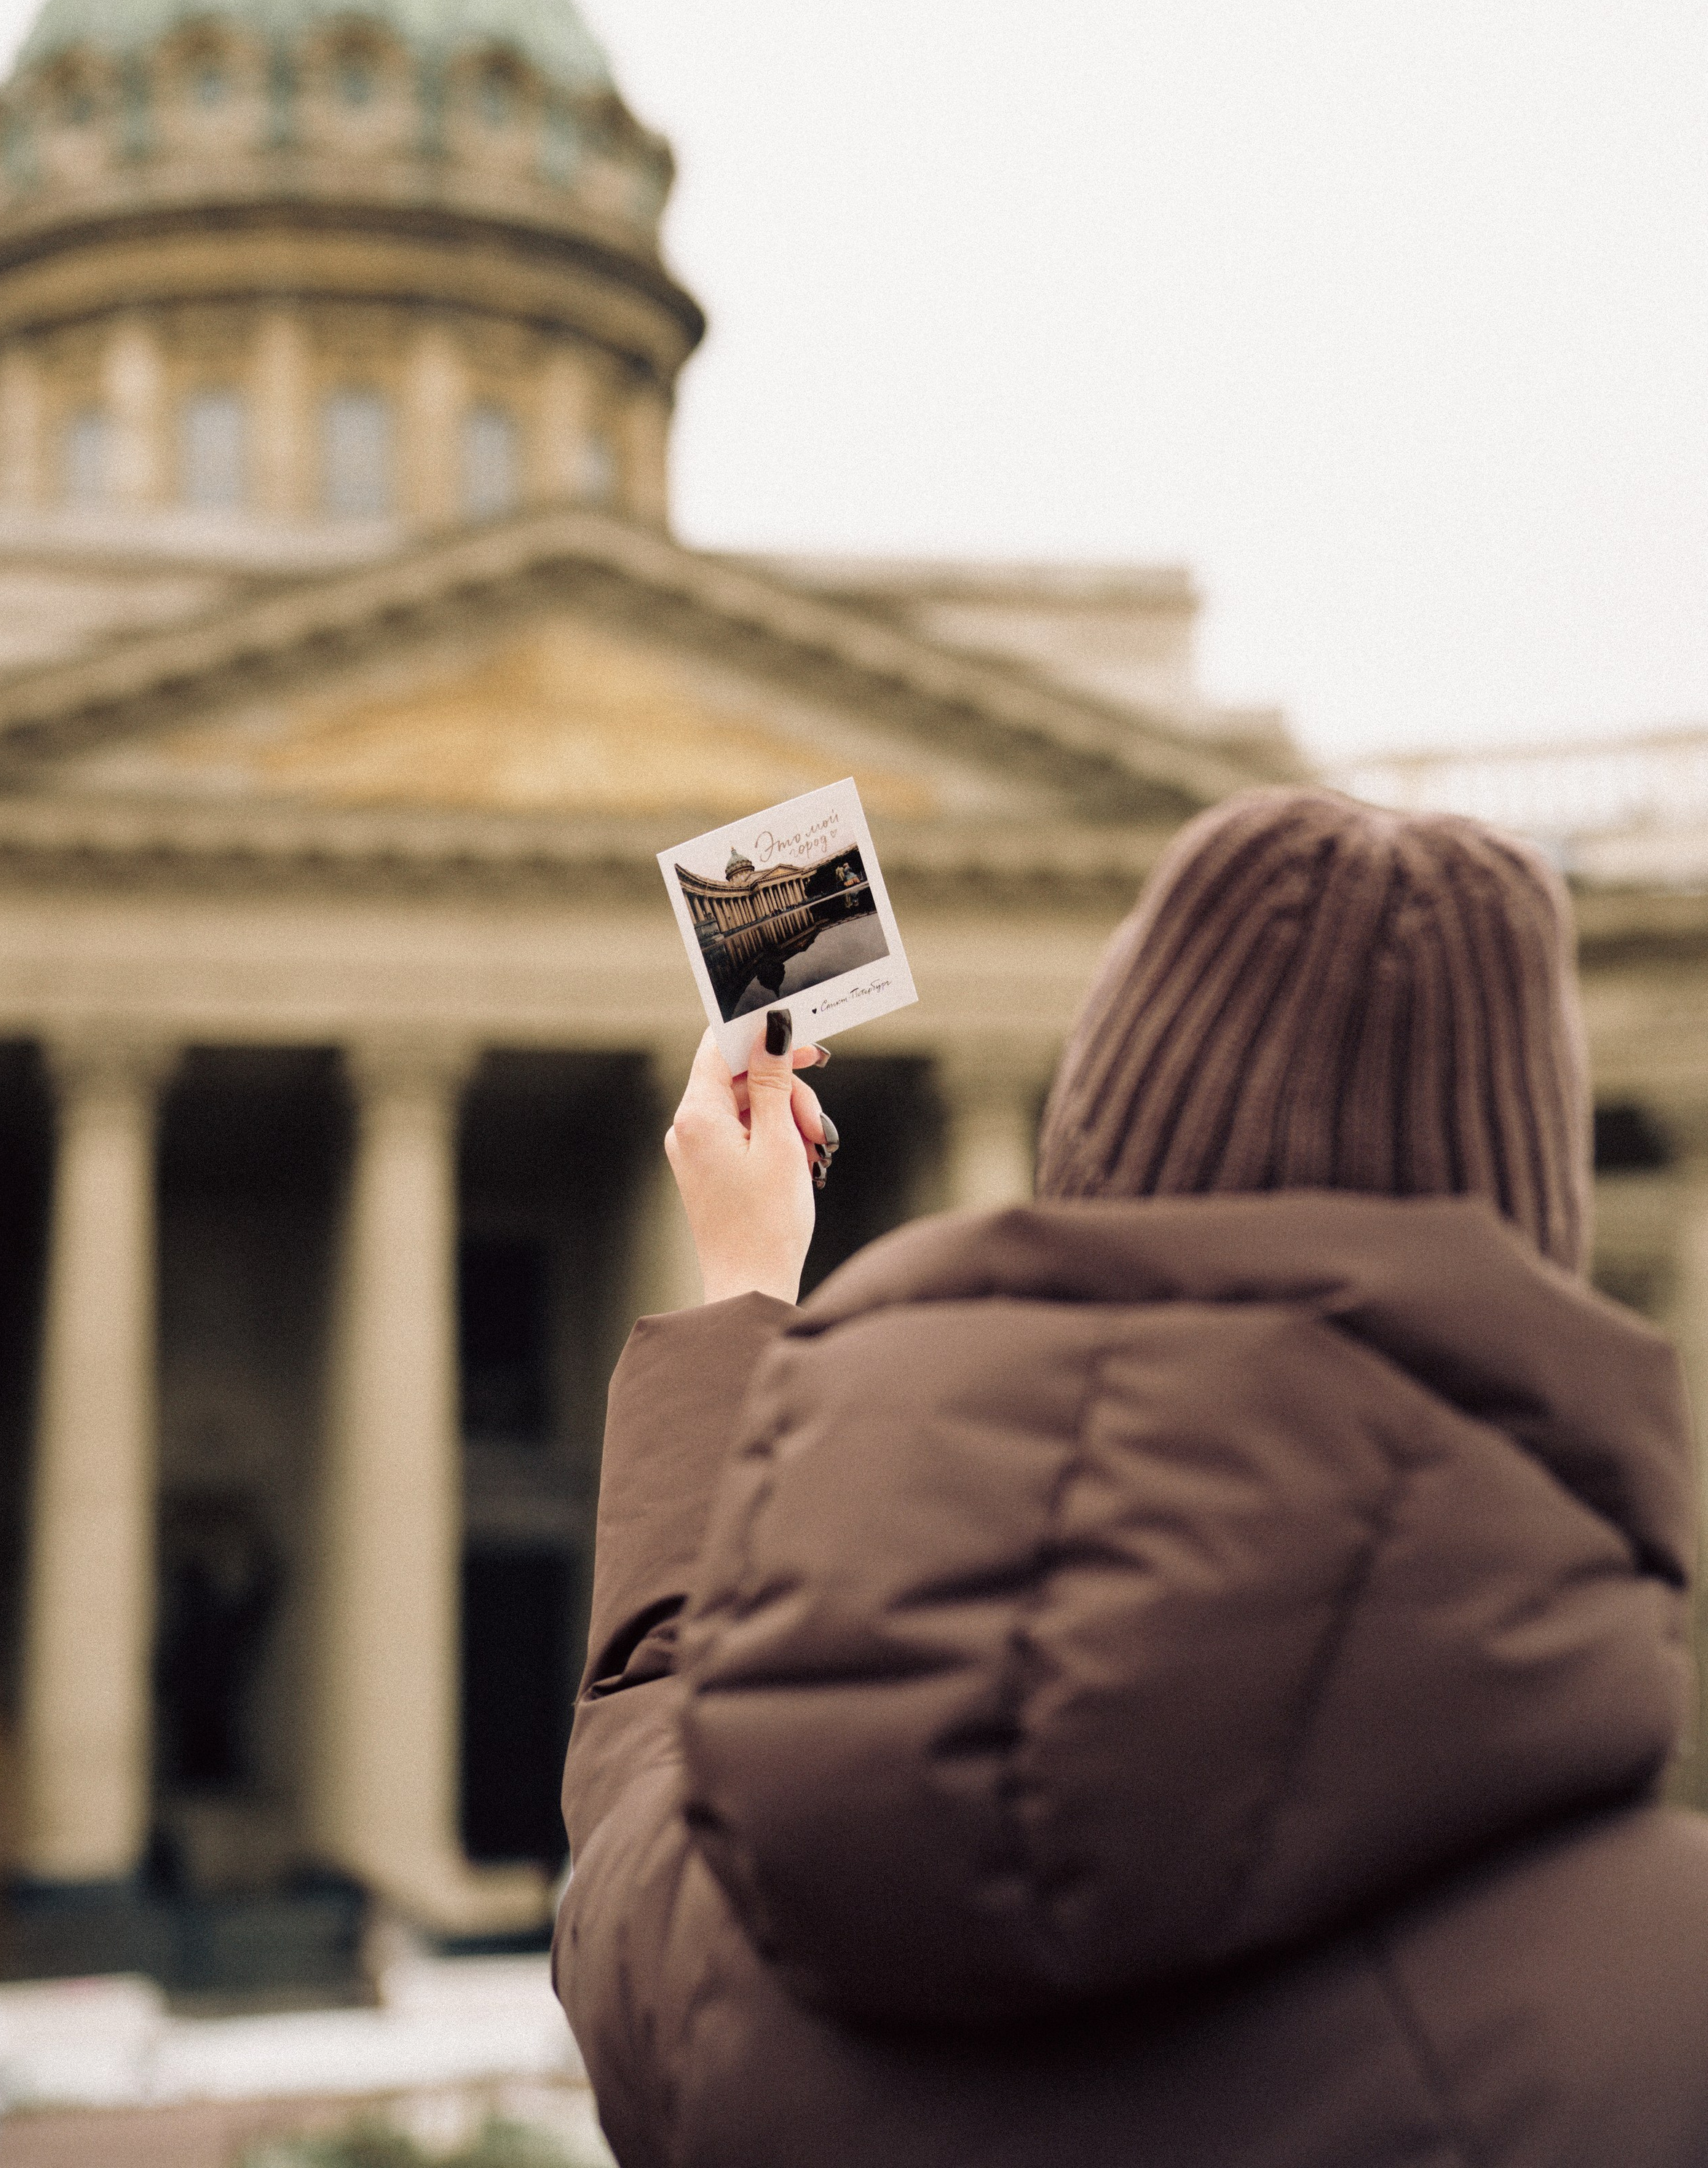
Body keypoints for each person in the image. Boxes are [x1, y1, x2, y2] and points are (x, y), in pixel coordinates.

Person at [554, 790, 1708, 2167]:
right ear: (1525, 1267)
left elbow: (642, 1801)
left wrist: (744, 1293)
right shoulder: (1659, 2004)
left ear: (1085, 1187)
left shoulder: (740, 1941)